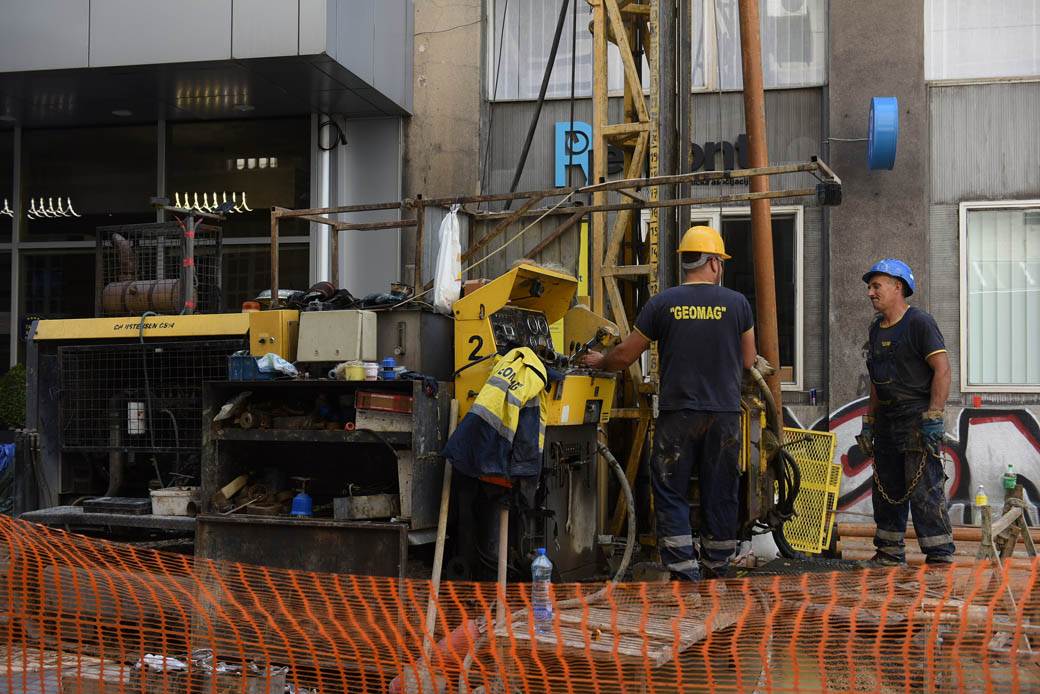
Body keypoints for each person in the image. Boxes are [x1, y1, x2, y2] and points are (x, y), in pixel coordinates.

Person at [581, 226, 755, 580]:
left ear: (685, 263)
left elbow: (625, 356)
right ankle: (717, 568)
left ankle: (683, 572)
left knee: (671, 489)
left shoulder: (663, 304)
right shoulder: (738, 303)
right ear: (714, 263)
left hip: (678, 416)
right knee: (721, 491)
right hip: (723, 416)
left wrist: (601, 361)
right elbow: (749, 360)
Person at [858, 259, 955, 565]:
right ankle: (888, 554)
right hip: (887, 421)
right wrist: (869, 421)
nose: (870, 293)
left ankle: (939, 557)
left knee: (925, 489)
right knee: (886, 488)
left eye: (876, 286)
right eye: (870, 287)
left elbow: (942, 370)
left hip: (916, 419)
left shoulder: (919, 323)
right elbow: (877, 381)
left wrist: (934, 415)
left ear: (897, 286)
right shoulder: (876, 330)